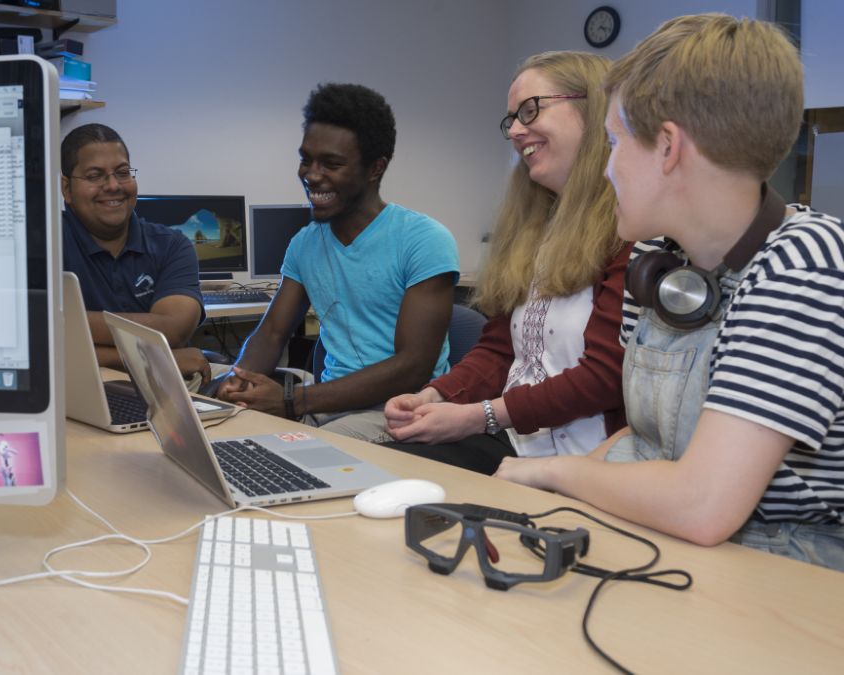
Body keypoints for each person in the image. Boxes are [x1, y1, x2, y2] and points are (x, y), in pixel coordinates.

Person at [495, 14, 844, 571]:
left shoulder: (803, 262)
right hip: (672, 534)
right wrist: (560, 503)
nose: (605, 169)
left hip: (788, 566)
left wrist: (550, 473)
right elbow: (645, 434)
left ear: (667, 147)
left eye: (613, 143)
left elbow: (704, 505)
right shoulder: (656, 258)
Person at [382, 51, 630, 475]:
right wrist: (436, 397)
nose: (516, 130)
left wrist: (481, 415)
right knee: (387, 471)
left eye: (531, 109)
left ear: (591, 111)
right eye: (511, 118)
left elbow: (607, 375)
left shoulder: (631, 230)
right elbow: (501, 350)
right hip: (519, 445)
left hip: (592, 463)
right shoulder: (536, 229)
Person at [217, 83, 459, 442]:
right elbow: (271, 333)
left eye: (331, 164)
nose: (311, 175)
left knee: (293, 460)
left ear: (375, 168)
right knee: (228, 438)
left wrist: (292, 399)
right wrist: (237, 384)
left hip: (400, 410)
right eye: (306, 159)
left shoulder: (423, 240)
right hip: (327, 405)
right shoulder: (305, 244)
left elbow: (412, 367)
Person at [60, 123, 210, 384]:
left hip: (163, 388)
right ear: (66, 189)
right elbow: (32, 339)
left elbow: (173, 330)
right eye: (95, 176)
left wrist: (64, 322)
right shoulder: (44, 243)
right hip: (74, 388)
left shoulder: (172, 245)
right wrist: (159, 356)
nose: (113, 185)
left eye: (123, 172)